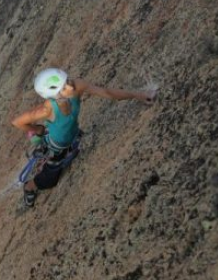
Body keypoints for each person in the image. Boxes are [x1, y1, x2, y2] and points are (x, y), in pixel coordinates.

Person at [12, 68, 156, 207]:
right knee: (51, 179)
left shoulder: (77, 86)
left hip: (71, 133)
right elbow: (17, 122)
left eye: (67, 80)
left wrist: (137, 94)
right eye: (63, 87)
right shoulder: (47, 108)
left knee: (72, 140)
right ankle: (30, 187)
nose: (69, 86)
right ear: (54, 95)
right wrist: (37, 128)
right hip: (56, 145)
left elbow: (107, 93)